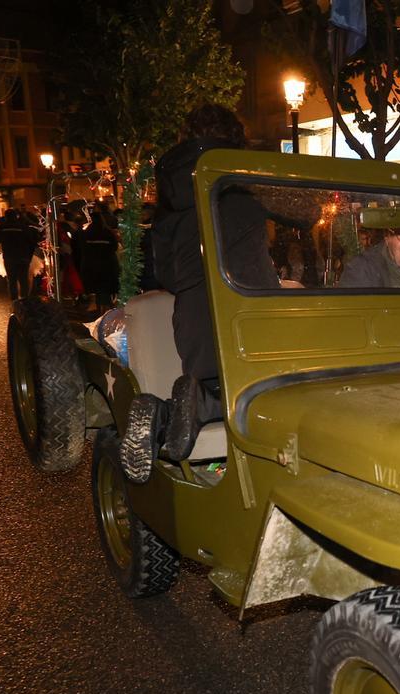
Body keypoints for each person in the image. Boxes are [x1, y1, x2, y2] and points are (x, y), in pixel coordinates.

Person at [124, 104, 281, 481]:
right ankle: (207, 406)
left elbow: (164, 272)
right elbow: (306, 213)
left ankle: (181, 408)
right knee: (268, 386)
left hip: (196, 320)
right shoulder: (247, 179)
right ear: (236, 139)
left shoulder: (172, 195)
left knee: (222, 383)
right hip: (253, 311)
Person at [0, 209, 39, 301]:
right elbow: (32, 242)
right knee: (23, 279)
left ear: (6, 217)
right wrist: (29, 257)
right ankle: (24, 300)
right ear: (16, 216)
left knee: (11, 280)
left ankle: (14, 301)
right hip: (23, 257)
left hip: (9, 257)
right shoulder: (23, 227)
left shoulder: (3, 227)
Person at [79, 211, 120, 312]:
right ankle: (106, 309)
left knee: (97, 288)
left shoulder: (87, 233)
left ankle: (99, 308)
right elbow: (114, 247)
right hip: (107, 264)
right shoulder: (108, 232)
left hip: (92, 264)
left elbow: (82, 249)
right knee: (105, 287)